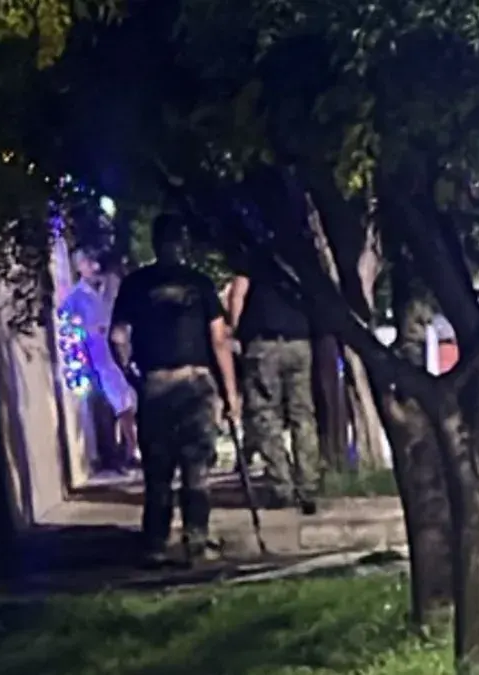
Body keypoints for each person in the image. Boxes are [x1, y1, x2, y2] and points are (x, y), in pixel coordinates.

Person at [109, 215, 239, 567]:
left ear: (154, 242)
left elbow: (117, 337)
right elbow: (219, 339)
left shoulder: (135, 284)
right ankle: (196, 541)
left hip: (156, 385)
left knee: (158, 469)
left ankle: (155, 544)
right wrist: (230, 393)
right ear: (181, 242)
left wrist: (132, 376)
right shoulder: (199, 283)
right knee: (196, 467)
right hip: (194, 382)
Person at [227, 259, 321, 514]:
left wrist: (235, 332)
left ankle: (281, 486)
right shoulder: (300, 255)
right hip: (299, 341)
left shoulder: (252, 255)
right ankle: (308, 485)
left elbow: (238, 294)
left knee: (266, 415)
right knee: (303, 415)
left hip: (264, 343)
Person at [62, 248, 138, 472]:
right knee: (115, 405)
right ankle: (121, 453)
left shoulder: (112, 285)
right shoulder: (76, 297)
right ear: (79, 267)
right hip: (99, 357)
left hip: (122, 349)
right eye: (86, 262)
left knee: (130, 401)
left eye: (93, 261)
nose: (93, 266)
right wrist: (88, 331)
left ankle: (131, 449)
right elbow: (67, 324)